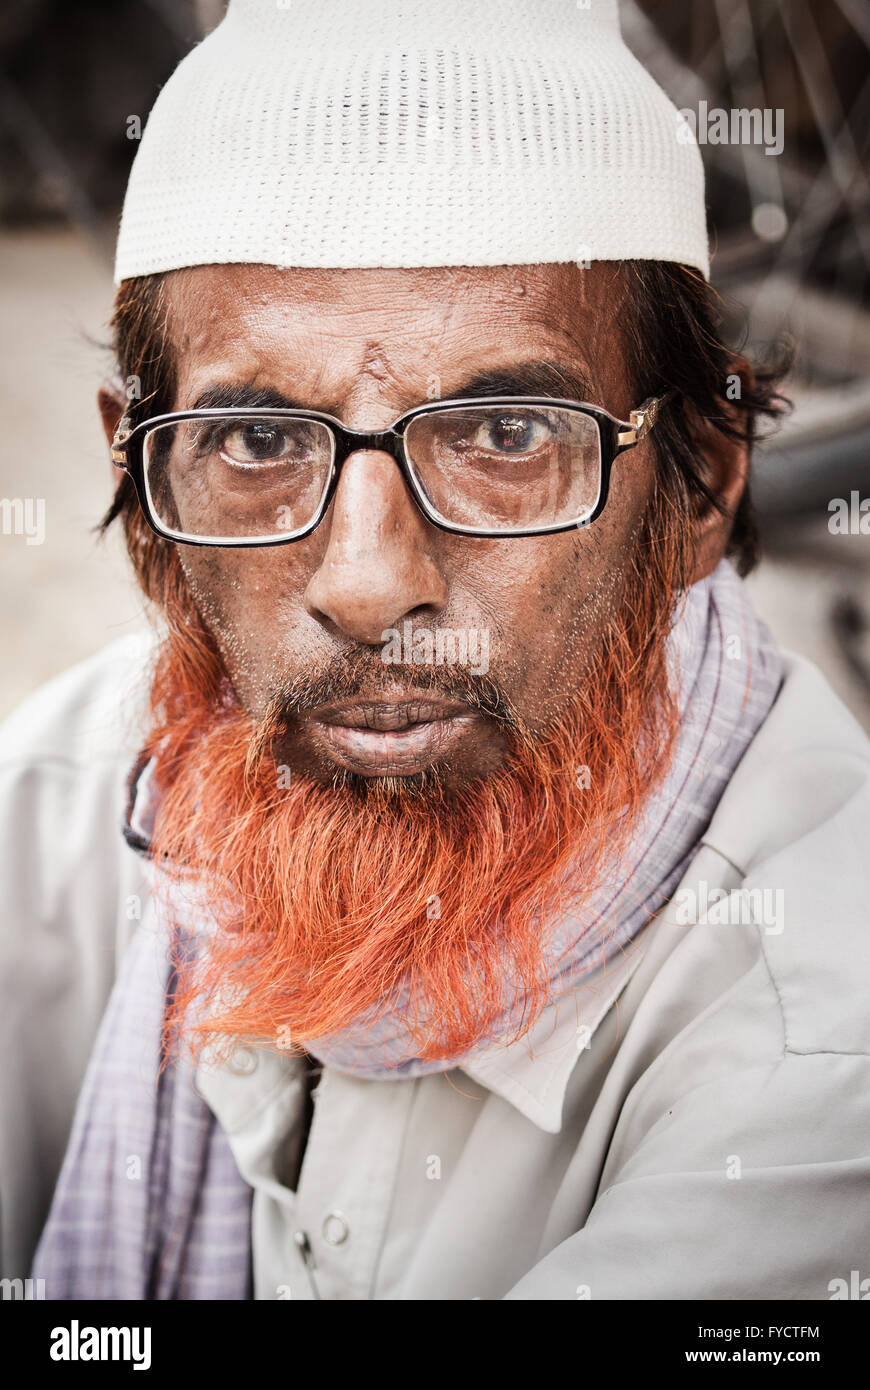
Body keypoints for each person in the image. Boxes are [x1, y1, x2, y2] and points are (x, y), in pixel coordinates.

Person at [2, 0, 868, 1300]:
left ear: (695, 485)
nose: (364, 583)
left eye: (507, 435)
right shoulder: (59, 808)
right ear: (139, 479)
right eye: (253, 441)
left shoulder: (822, 1038)